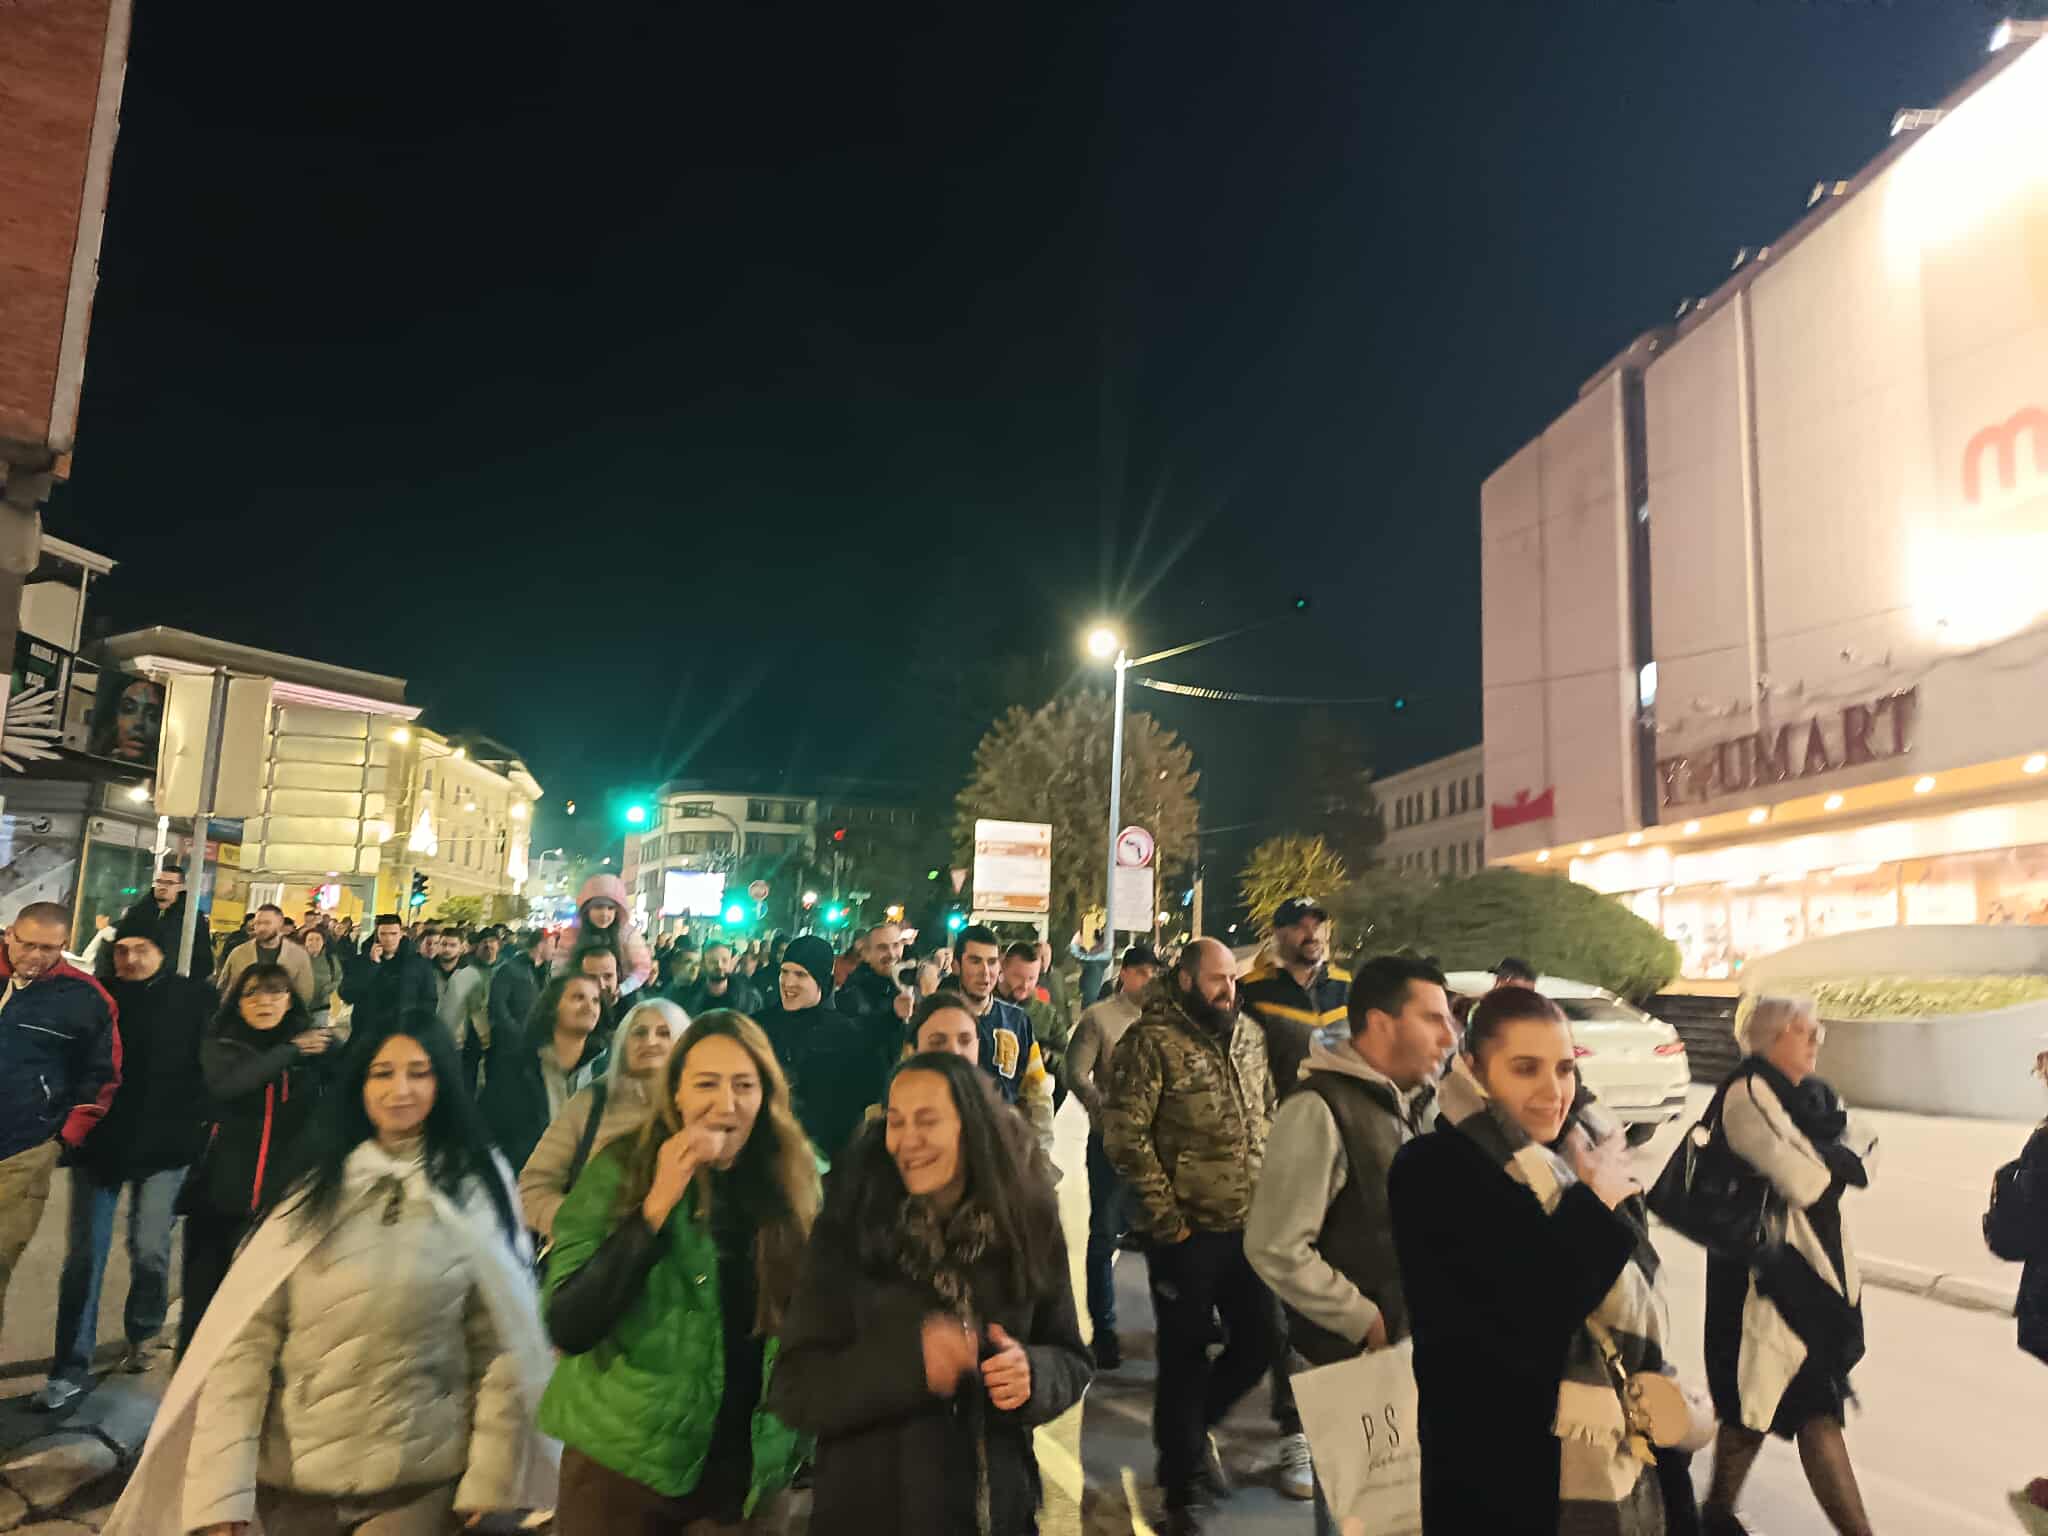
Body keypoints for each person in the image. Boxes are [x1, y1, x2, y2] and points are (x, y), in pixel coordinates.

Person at [103, 1017, 557, 1536]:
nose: (400, 1090)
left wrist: (493, 1476)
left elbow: (500, 1350)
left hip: (419, 1481)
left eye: (419, 1072)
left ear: (444, 1083)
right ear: (359, 1083)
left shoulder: (473, 1191)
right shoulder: (311, 1186)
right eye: (382, 1073)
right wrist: (220, 1492)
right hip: (294, 1486)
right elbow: (244, 1349)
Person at [1389, 985, 1671, 1536]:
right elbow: (1528, 1316)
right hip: (1494, 1470)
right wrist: (1594, 1205)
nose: (1553, 1090)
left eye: (1565, 1069)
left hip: (1602, 1453)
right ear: (1474, 1068)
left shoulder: (1571, 1157)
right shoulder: (1433, 1167)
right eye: (1525, 1069)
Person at [771, 1051, 1092, 1534]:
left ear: (972, 1126)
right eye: (896, 1121)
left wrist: (1033, 1375)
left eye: (927, 1120)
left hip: (995, 1514)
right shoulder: (850, 1226)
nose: (907, 1140)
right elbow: (795, 1388)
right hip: (869, 1515)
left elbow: (1071, 1358)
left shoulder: (1028, 1222)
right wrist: (911, 1366)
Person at [539, 1010, 819, 1533]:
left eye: (744, 1085)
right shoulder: (621, 1169)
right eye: (706, 1084)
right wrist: (655, 1206)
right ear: (677, 1094)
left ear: (766, 1096)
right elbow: (569, 1323)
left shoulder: (798, 1181)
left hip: (740, 1482)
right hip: (623, 1471)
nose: (726, 1104)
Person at [1246, 955, 1455, 1531]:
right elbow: (1274, 1245)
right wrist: (1366, 1320)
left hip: (1412, 1357)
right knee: (1367, 1521)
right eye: (1433, 1019)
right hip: (1354, 1366)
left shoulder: (1415, 1103)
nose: (1449, 1036)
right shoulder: (1319, 1109)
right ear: (1382, 1023)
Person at [1102, 936, 1278, 1532]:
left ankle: (1192, 1430)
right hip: (1185, 1233)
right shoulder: (1151, 1043)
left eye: (1232, 979)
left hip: (1249, 1226)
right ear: (1185, 980)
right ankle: (1180, 1487)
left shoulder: (1249, 1037)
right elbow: (1125, 1135)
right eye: (1216, 979)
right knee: (1183, 1356)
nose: (1228, 989)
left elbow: (1267, 1112)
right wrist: (1167, 1221)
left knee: (1261, 1339)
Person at [1701, 996, 1877, 1536]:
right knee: (1786, 1407)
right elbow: (1807, 1182)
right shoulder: (1746, 1095)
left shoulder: (1811, 1097)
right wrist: (1837, 1160)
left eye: (1817, 1029)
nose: (1817, 1039)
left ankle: (1713, 1517)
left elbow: (1866, 1146)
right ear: (1773, 1037)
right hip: (1766, 1281)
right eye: (1805, 1030)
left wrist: (1833, 1160)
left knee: (1777, 1408)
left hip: (1810, 1274)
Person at [34, 915, 213, 1410]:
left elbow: (212, 1066)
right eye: (122, 951)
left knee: (150, 1248)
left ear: (163, 953)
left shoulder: (193, 999)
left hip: (167, 1147)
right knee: (84, 1259)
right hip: (100, 1147)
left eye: (142, 950)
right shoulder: (97, 998)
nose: (130, 959)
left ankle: (144, 1329)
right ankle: (69, 1366)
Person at [179, 963, 334, 1357]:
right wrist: (290, 1051)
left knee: (269, 1312)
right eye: (252, 993)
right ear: (237, 1001)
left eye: (276, 992)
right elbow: (229, 1085)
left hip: (283, 1200)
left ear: (290, 1000)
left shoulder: (315, 1049)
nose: (265, 1001)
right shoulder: (221, 1042)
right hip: (218, 1196)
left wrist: (337, 1051)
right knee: (203, 1306)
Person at [0, 902, 121, 1346]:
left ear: (64, 945)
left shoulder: (86, 998)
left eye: (48, 948)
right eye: (27, 944)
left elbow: (102, 1075)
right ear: (9, 935)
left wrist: (63, 1139)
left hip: (23, 1148)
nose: (35, 956)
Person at [518, 997, 685, 1241]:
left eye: (664, 1033)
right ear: (623, 1045)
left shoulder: (698, 1108)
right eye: (639, 1033)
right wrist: (581, 1229)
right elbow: (533, 1186)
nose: (650, 1041)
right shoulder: (589, 1103)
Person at [1066, 942, 1158, 1369]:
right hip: (1111, 1146)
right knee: (1104, 1234)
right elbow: (1076, 1073)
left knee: (1162, 1235)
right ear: (1125, 973)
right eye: (1143, 972)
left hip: (1157, 1148)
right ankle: (1104, 1330)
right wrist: (1104, 1111)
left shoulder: (1165, 1018)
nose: (1151, 981)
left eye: (1155, 973)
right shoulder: (1099, 1018)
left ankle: (1173, 1322)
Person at [756, 934, 886, 1160]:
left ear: (821, 981)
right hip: (765, 1156)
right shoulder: (757, 1027)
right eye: (784, 972)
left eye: (800, 974)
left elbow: (868, 1102)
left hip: (827, 1161)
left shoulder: (849, 1036)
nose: (788, 982)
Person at [481, 974, 610, 1174]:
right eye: (578, 997)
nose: (589, 1006)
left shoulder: (606, 1069)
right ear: (552, 1008)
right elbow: (492, 1138)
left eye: (595, 1000)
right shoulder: (516, 1068)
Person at [951, 926, 1054, 1152]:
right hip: (950, 1147)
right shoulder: (936, 1019)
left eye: (991, 962)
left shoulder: (1018, 1022)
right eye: (975, 961)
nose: (985, 972)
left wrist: (1040, 1155)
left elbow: (1037, 1096)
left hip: (1002, 1148)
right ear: (956, 966)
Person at [337, 910, 438, 1039]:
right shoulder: (361, 961)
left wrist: (418, 1030)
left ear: (401, 934)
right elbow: (346, 994)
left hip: (402, 1035)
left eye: (393, 934)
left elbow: (429, 1000)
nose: (389, 939)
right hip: (366, 1034)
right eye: (383, 934)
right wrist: (371, 965)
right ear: (377, 935)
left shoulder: (417, 963)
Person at [112, 858, 214, 981]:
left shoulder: (192, 918)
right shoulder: (137, 913)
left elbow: (204, 961)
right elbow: (117, 946)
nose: (162, 886)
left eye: (170, 883)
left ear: (181, 887)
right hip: (134, 981)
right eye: (159, 882)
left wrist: (183, 983)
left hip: (171, 985)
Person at [1000, 942, 1071, 1114]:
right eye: (1018, 977)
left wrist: (1048, 1058)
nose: (1025, 985)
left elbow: (1067, 1063)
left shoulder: (1047, 1014)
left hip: (1028, 1109)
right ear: (1003, 967)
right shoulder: (986, 1006)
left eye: (1032, 978)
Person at [834, 921, 912, 1063]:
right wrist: (893, 1016)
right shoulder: (852, 993)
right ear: (866, 954)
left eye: (896, 945)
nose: (891, 954)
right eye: (882, 948)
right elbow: (858, 1041)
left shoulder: (907, 984)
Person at [217, 902, 316, 1008]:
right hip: (244, 1013)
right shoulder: (239, 953)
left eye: (267, 923)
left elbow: (304, 993)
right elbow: (224, 986)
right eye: (257, 923)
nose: (261, 928)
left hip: (283, 1014)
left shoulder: (298, 955)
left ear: (280, 923)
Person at [441, 925, 501, 1092]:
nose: (488, 946)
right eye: (484, 942)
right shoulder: (467, 969)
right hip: (463, 1033)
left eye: (492, 941)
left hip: (488, 1031)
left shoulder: (502, 969)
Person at [491, 928, 555, 1055]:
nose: (555, 950)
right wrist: (518, 1032)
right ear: (541, 945)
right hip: (510, 1047)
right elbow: (498, 1006)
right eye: (553, 945)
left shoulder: (545, 972)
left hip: (535, 1044)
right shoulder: (510, 969)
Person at [678, 938, 759, 1019]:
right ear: (704, 964)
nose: (719, 965)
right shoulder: (687, 997)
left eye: (724, 960)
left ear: (730, 962)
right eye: (713, 961)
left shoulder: (747, 998)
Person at [299, 923, 344, 1029]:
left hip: (322, 1007)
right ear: (304, 942)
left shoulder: (331, 959)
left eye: (318, 939)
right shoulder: (297, 958)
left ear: (323, 942)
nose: (314, 942)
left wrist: (328, 989)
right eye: (310, 939)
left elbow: (338, 978)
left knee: (318, 1034)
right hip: (299, 1008)